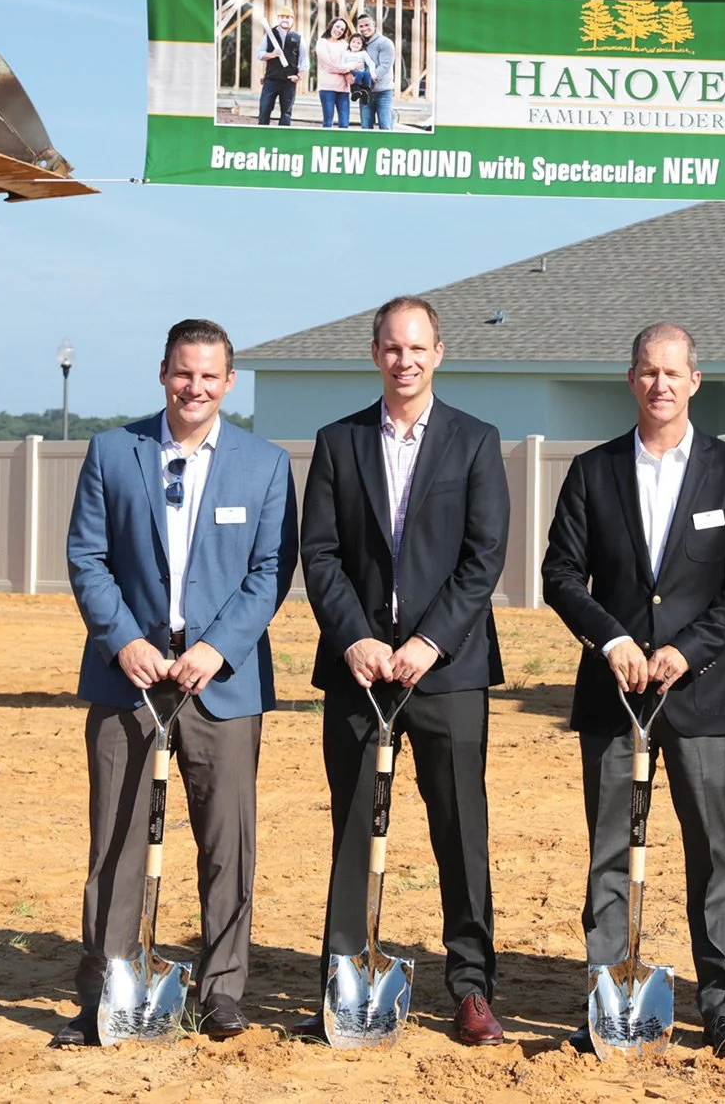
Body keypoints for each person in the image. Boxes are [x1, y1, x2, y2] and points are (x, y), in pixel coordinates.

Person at [59, 319, 298, 1046]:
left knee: (228, 841)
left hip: (220, 684)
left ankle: (222, 989)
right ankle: (107, 987)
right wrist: (124, 638)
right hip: (127, 678)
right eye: (182, 373)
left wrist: (218, 648)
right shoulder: (112, 452)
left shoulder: (264, 464)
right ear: (163, 372)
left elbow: (270, 571)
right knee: (116, 841)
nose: (194, 387)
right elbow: (87, 556)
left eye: (209, 376)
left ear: (229, 382)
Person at [542, 323, 725, 1061]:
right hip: (615, 696)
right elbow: (560, 573)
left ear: (695, 381)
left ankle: (723, 1003)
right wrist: (612, 641)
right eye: (648, 371)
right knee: (610, 849)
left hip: (702, 697)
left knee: (713, 851)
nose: (660, 384)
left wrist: (687, 648)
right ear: (631, 378)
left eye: (673, 372)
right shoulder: (592, 470)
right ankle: (609, 998)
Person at [296, 295, 511, 1047]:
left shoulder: (476, 442)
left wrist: (429, 642)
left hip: (446, 672)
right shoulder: (338, 442)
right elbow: (317, 553)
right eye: (392, 347)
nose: (405, 359)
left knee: (461, 830)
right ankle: (343, 979)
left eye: (418, 348)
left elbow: (484, 557)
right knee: (353, 825)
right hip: (358, 671)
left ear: (440, 353)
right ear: (375, 353)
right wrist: (354, 635)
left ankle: (471, 986)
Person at [257, 8, 302, 126]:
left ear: (292, 19)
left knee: (286, 113)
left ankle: (284, 138)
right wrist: (271, 55)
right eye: (282, 17)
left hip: (289, 81)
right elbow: (259, 54)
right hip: (271, 79)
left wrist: (299, 76)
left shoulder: (298, 37)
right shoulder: (269, 35)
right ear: (278, 18)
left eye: (287, 17)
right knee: (265, 109)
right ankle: (262, 136)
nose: (285, 19)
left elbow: (304, 60)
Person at [356, 12, 397, 130]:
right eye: (361, 26)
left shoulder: (385, 43)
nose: (364, 28)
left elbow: (385, 66)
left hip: (383, 92)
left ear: (374, 25)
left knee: (385, 127)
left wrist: (367, 78)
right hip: (365, 93)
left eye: (367, 25)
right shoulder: (359, 43)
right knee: (366, 128)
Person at [315, 17, 353, 129]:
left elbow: (352, 60)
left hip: (344, 89)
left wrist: (350, 69)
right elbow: (329, 66)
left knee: (344, 124)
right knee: (328, 122)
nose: (339, 30)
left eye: (342, 29)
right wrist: (347, 69)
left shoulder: (344, 45)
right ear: (331, 26)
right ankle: (325, 145)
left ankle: (343, 145)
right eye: (337, 26)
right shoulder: (322, 43)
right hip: (327, 88)